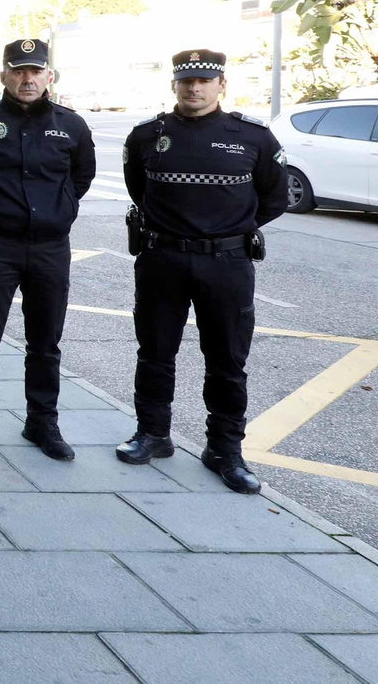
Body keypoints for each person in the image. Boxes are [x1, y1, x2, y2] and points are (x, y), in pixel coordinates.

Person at [116, 49, 289, 493]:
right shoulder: (148, 135)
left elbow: (274, 197)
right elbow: (138, 188)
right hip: (162, 259)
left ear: (221, 85)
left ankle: (224, 450)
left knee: (227, 360)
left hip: (227, 263)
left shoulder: (252, 137)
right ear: (174, 84)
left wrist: (230, 230)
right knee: (155, 353)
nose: (194, 88)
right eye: (186, 80)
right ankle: (153, 434)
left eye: (204, 81)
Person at [0, 38, 95, 461]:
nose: (28, 79)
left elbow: (82, 177)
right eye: (19, 71)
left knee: (46, 341)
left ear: (49, 76)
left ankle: (42, 421)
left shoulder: (72, 125)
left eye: (35, 71)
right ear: (4, 76)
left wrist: (58, 209)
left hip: (50, 248)